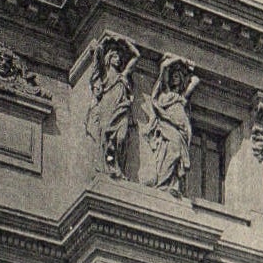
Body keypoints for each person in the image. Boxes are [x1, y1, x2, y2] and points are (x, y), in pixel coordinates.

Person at [82, 32, 139, 177]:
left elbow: (136, 56)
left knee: (121, 137)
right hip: (107, 107)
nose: (118, 59)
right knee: (107, 139)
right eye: (115, 56)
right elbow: (96, 61)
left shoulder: (123, 75)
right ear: (108, 58)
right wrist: (103, 43)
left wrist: (125, 42)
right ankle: (110, 167)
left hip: (121, 109)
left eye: (119, 57)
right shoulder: (104, 76)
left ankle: (117, 165)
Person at [140, 55, 199, 194]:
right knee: (173, 152)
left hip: (182, 128)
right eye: (173, 76)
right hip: (169, 125)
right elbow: (164, 67)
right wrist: (180, 60)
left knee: (176, 154)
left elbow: (196, 80)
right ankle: (163, 184)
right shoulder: (165, 91)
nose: (174, 78)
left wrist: (189, 67)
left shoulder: (182, 97)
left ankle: (172, 184)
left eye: (177, 76)